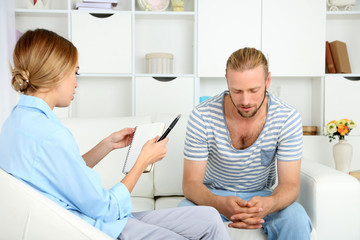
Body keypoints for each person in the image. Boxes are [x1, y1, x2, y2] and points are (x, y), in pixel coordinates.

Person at [0, 29, 230, 240]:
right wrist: (143, 161)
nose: (76, 83)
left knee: (209, 217)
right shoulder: (50, 134)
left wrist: (106, 145)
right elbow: (107, 208)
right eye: (75, 72)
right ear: (56, 74)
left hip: (101, 220)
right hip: (96, 228)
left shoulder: (17, 123)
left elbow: (62, 175)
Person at [179, 47, 313, 239]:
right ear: (227, 80)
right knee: (183, 216)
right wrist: (219, 203)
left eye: (254, 90)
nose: (245, 100)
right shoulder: (202, 115)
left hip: (262, 196)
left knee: (296, 217)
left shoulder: (287, 117)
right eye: (237, 90)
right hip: (213, 196)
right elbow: (191, 184)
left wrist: (269, 204)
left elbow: (290, 184)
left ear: (267, 81)